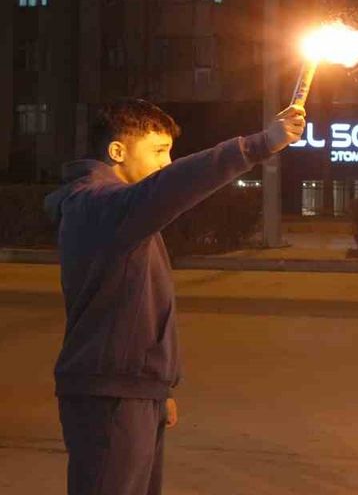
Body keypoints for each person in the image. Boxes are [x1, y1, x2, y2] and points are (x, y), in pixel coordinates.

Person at [44, 98, 306, 495]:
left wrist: (158, 389)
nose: (167, 163)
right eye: (159, 151)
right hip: (108, 396)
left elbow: (144, 307)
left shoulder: (123, 215)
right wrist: (258, 145)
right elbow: (171, 187)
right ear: (117, 151)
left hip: (133, 391)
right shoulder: (95, 205)